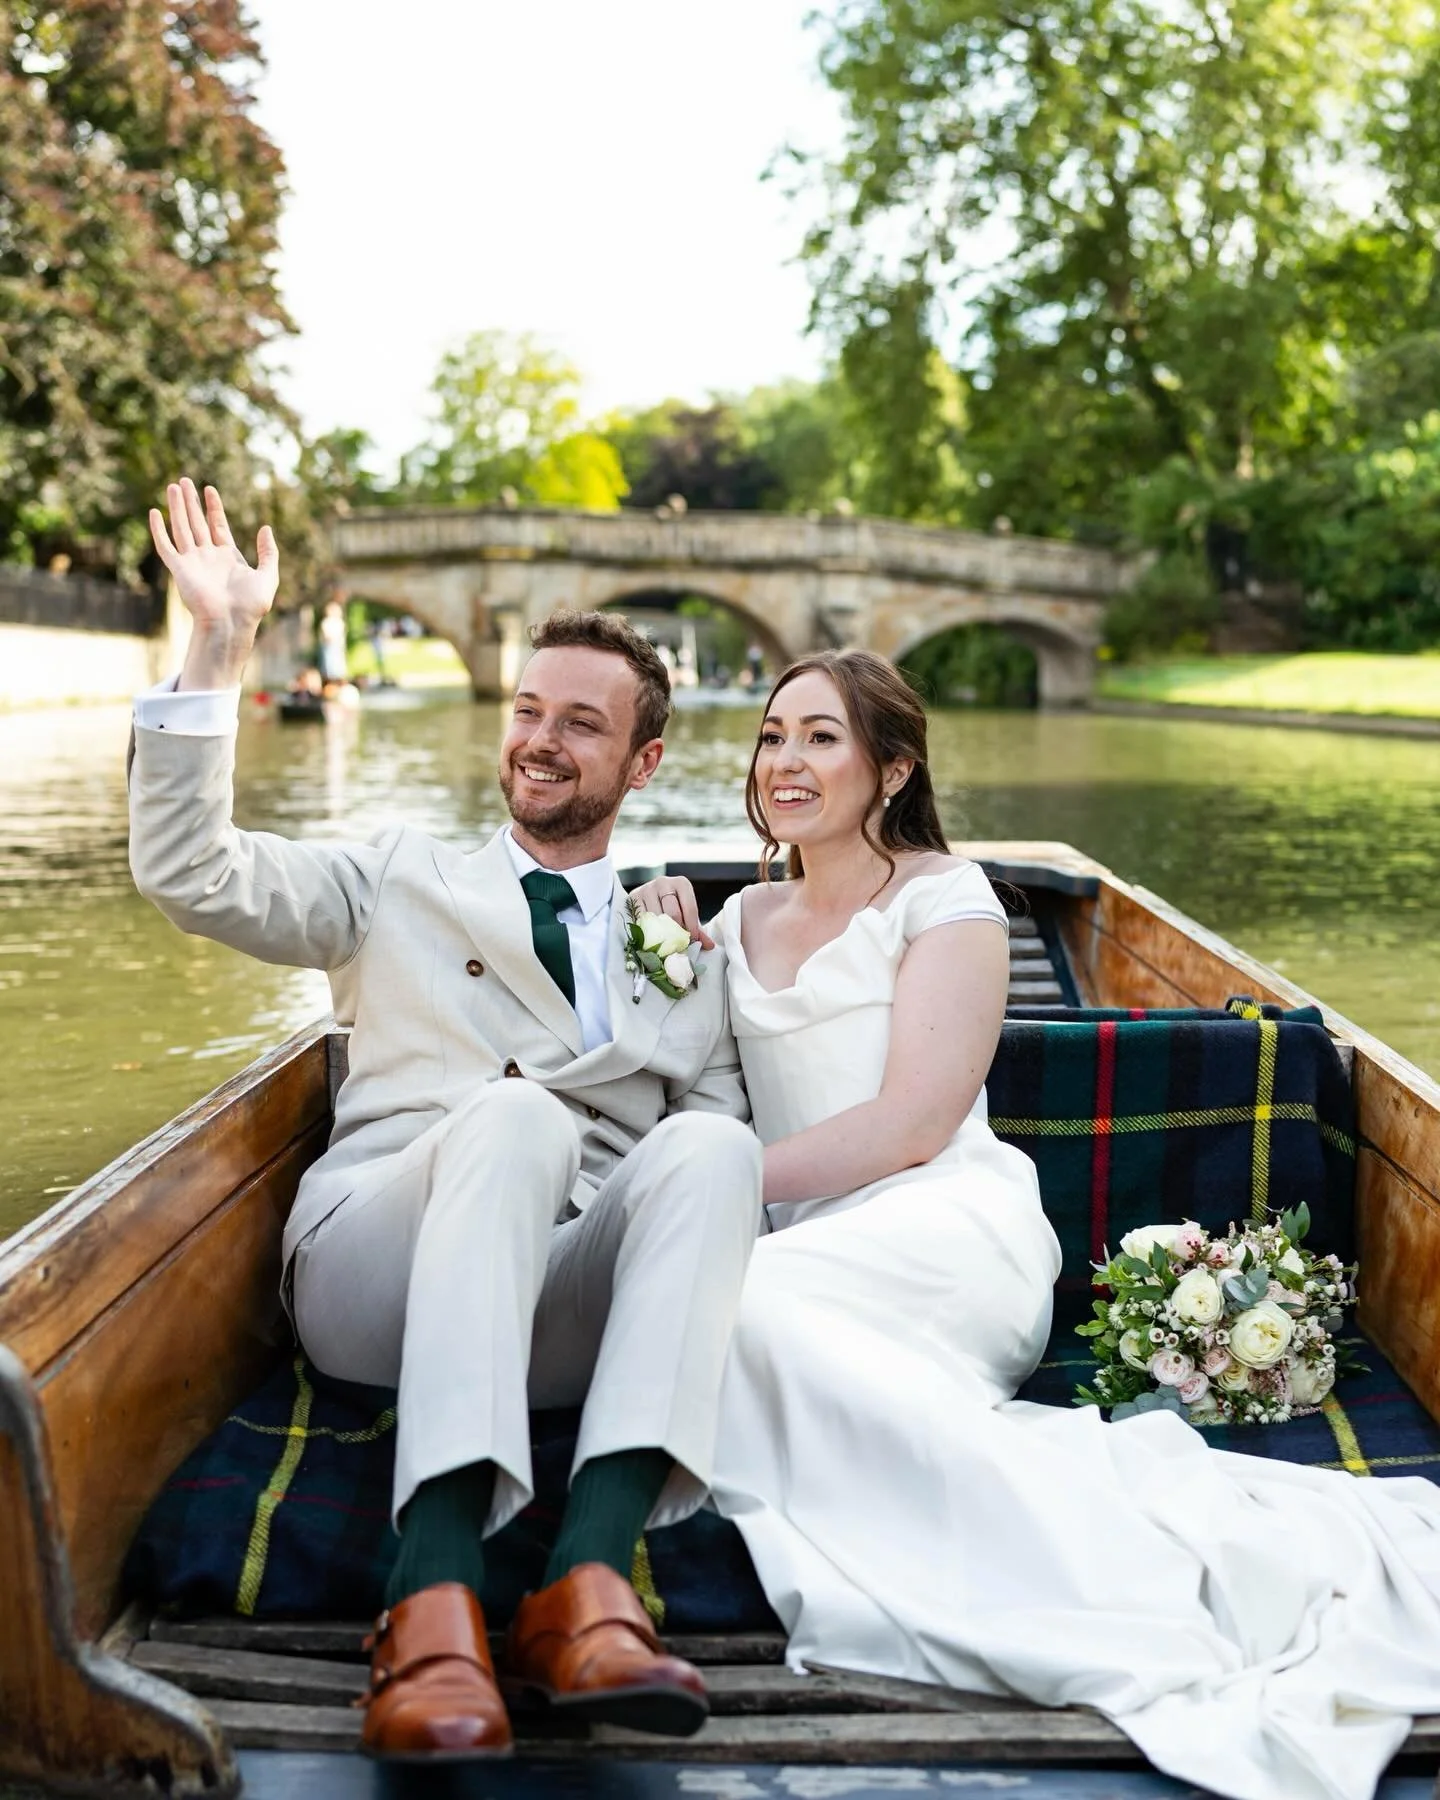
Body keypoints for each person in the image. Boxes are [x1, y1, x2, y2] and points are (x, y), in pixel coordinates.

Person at [630, 649, 1440, 1800]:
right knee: (736, 1304)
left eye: (821, 737)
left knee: (744, 1301)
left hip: (947, 1223)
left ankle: (1118, 1581)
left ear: (892, 768)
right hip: (804, 1239)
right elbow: (698, 1081)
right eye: (772, 736)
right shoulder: (739, 916)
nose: (786, 761)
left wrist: (703, 1191)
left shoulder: (947, 899)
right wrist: (653, 917)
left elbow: (913, 1124)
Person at [129, 480, 763, 1761]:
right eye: (528, 711)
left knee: (716, 1147)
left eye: (580, 723)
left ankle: (585, 1588)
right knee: (515, 1119)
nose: (540, 740)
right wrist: (220, 643)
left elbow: (702, 1194)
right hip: (382, 1273)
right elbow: (194, 871)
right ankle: (429, 1602)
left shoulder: (684, 951)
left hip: (558, 1300)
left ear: (643, 764)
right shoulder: (395, 876)